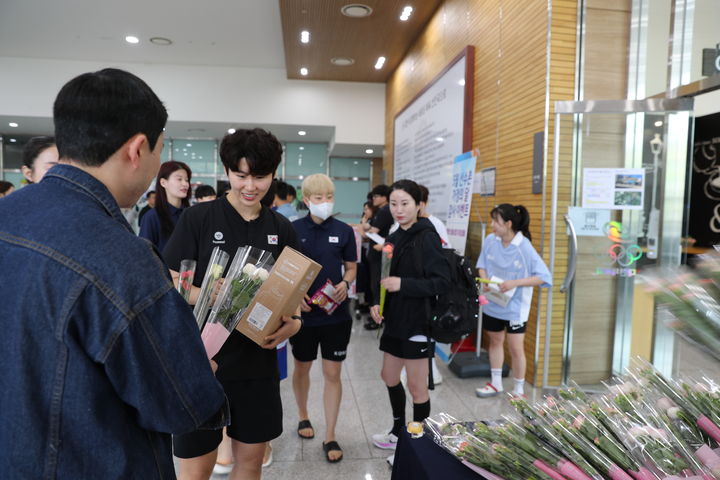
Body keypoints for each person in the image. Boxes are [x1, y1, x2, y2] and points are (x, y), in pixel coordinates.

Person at [0, 68, 228, 479]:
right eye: (161, 149)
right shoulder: (124, 259)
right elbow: (182, 402)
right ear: (138, 149)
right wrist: (199, 371)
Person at [163, 128, 303, 480]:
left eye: (260, 176)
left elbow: (293, 300)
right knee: (196, 469)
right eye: (241, 175)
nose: (250, 186)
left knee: (251, 463)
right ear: (227, 172)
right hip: (202, 361)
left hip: (257, 364)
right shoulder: (199, 219)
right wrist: (207, 293)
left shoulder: (282, 228)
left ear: (273, 175)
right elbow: (169, 280)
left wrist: (294, 324)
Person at [369, 179, 450, 466]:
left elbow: (440, 281)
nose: (399, 209)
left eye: (405, 203)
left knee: (417, 388)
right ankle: (397, 430)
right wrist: (377, 303)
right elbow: (383, 274)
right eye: (393, 204)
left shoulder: (426, 236)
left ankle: (419, 444)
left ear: (419, 205)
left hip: (417, 322)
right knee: (389, 377)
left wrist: (402, 284)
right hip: (394, 320)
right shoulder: (396, 233)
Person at [290, 174, 357, 463]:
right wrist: (295, 295)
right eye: (319, 198)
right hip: (304, 317)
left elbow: (352, 268)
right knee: (302, 368)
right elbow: (287, 270)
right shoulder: (292, 229)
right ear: (306, 200)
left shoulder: (344, 231)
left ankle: (330, 434)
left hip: (336, 315)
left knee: (333, 374)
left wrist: (345, 283)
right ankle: (303, 416)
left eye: (329, 197)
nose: (325, 203)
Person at [474, 204, 552, 399]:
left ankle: (519, 390)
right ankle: (496, 383)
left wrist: (514, 283)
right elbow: (482, 264)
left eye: (496, 222)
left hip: (516, 308)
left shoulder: (524, 247)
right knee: (495, 341)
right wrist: (485, 281)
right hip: (493, 302)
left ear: (508, 224)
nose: (492, 225)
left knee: (516, 348)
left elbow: (544, 277)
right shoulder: (491, 240)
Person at [139, 160, 191, 251]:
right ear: (163, 182)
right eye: (179, 179)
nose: (185, 184)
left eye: (187, 180)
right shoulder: (151, 217)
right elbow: (145, 253)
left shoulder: (191, 214)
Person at [362, 184, 393, 330]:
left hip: (380, 255)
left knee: (377, 286)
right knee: (374, 285)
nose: (373, 199)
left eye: (376, 196)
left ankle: (379, 318)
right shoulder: (381, 211)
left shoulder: (385, 211)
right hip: (375, 254)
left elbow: (373, 232)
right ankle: (376, 315)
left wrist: (364, 229)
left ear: (384, 197)